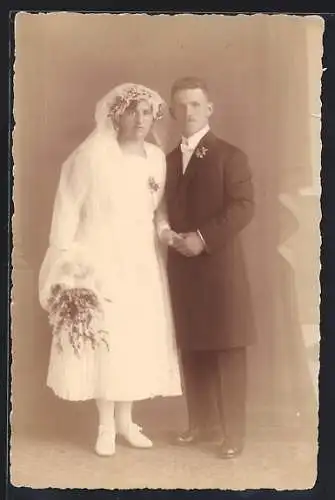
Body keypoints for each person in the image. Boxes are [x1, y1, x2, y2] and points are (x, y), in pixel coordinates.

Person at [38, 83, 182, 457]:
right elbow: (68, 207)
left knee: (134, 338)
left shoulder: (155, 157)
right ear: (116, 114)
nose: (140, 119)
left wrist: (164, 230)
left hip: (140, 259)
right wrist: (66, 261)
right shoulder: (91, 156)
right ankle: (104, 426)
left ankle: (126, 421)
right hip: (99, 255)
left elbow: (158, 207)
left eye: (147, 112)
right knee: (107, 336)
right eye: (133, 111)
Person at [160, 76, 256, 459]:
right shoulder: (165, 161)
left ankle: (233, 433)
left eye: (195, 105)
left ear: (209, 109)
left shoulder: (230, 156)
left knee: (228, 349)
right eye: (180, 106)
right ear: (170, 112)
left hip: (220, 271)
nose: (187, 113)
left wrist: (202, 237)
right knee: (193, 347)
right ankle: (202, 425)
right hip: (182, 269)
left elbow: (244, 207)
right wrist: (172, 237)